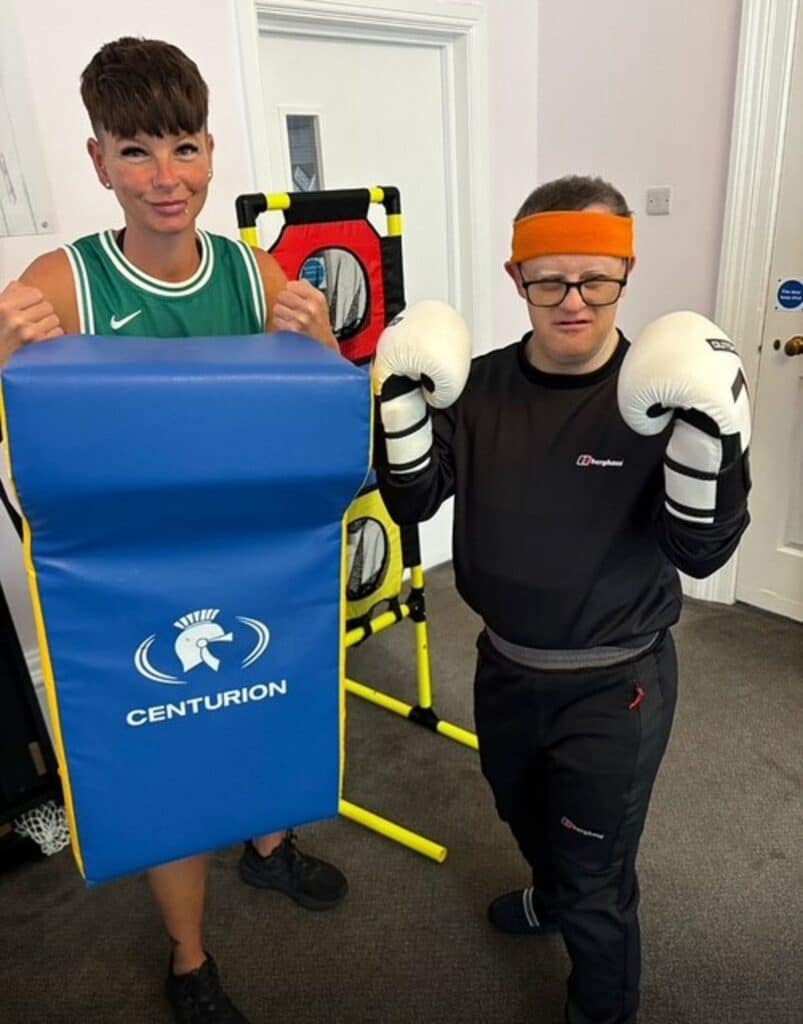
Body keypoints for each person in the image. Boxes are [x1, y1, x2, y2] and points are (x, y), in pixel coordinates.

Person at [0, 37, 349, 1024]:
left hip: (252, 564)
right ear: (98, 160)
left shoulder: (251, 272)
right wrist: (2, 352)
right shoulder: (61, 284)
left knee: (264, 714)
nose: (166, 178)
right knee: (170, 770)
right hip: (132, 584)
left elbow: (319, 421)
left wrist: (323, 346)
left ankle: (269, 846)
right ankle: (189, 959)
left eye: (185, 148)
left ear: (209, 151)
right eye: (137, 151)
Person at [371, 175, 751, 1024]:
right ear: (516, 278)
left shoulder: (664, 398)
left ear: (625, 276)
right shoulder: (474, 387)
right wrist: (394, 400)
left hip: (615, 685)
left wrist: (713, 445)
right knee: (521, 810)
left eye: (595, 280)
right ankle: (548, 896)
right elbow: (411, 502)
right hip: (504, 666)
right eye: (548, 281)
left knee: (596, 875)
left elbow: (700, 552)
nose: (572, 301)